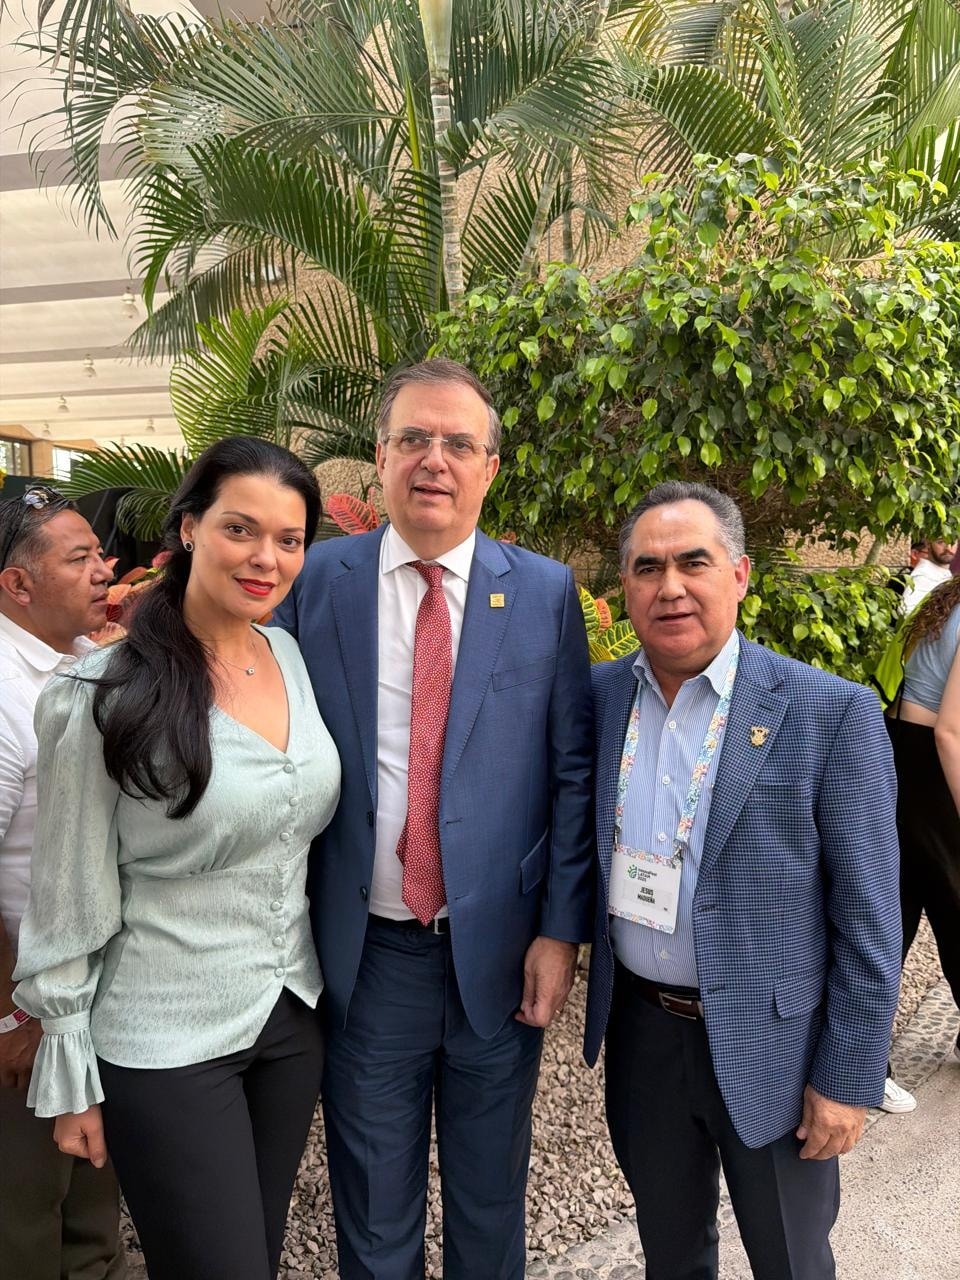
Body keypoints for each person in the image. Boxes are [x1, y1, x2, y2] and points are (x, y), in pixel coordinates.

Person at [273, 357, 594, 1279]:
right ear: (379, 457)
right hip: (367, 955)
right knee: (374, 1211)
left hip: (498, 954)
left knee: (490, 1203)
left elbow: (571, 772)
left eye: (459, 442)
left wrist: (560, 932)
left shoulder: (543, 592)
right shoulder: (315, 581)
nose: (434, 459)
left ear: (490, 467)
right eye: (413, 437)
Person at [12, 439, 342, 1280]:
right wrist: (70, 1065)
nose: (266, 558)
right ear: (189, 527)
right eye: (240, 529)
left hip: (288, 1016)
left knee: (255, 1255)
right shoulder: (100, 691)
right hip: (163, 1039)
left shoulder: (289, 657)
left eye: (289, 539)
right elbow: (68, 889)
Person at [584, 481, 901, 1280]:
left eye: (693, 563)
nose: (670, 587)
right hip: (643, 1037)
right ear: (625, 587)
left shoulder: (830, 714)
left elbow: (869, 918)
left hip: (777, 1047)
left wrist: (847, 1077)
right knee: (670, 1256)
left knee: (791, 1261)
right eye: (648, 568)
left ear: (740, 574)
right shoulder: (597, 700)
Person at [0, 486, 126, 1280]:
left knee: (91, 1211)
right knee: (26, 1220)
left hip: (84, 999)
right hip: (26, 1009)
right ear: (18, 585)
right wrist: (8, 1016)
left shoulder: (85, 662)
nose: (103, 570)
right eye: (79, 559)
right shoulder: (6, 692)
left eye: (99, 554)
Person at [887, 574, 960, 1066]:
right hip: (932, 768)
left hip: (897, 754)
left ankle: (859, 1055)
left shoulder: (943, 600)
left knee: (893, 912)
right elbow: (949, 732)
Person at [901, 534, 957, 613]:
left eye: (953, 541)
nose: (948, 548)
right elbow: (905, 611)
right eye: (941, 542)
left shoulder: (940, 572)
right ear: (928, 543)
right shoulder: (923, 576)